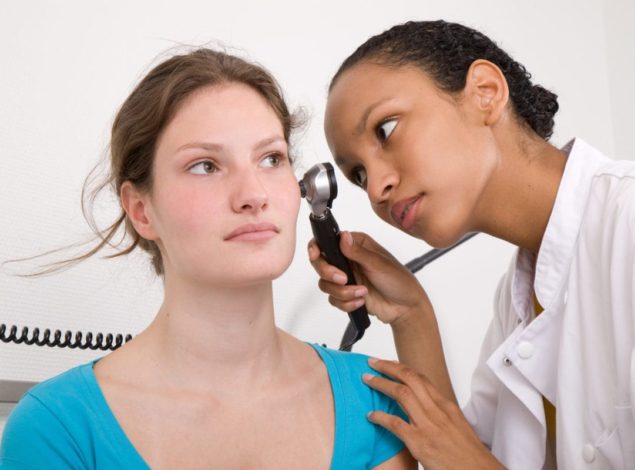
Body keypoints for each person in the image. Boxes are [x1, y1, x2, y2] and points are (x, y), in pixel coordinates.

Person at [309, 19, 635, 469]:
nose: (376, 186)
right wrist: (411, 314)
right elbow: (462, 454)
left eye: (386, 130)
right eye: (357, 175)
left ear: (485, 92)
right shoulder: (517, 297)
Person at [0, 48, 416, 469]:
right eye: (205, 166)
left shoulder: (375, 400)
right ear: (141, 210)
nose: (254, 194)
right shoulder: (56, 430)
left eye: (271, 159)